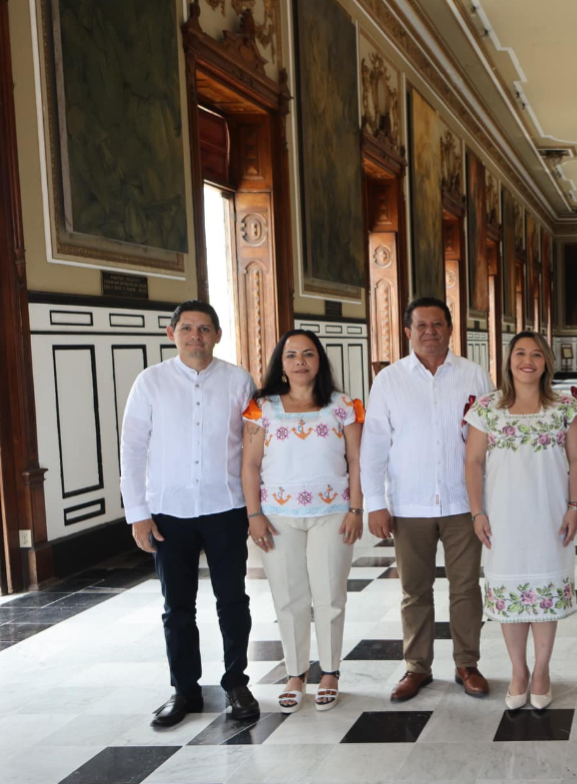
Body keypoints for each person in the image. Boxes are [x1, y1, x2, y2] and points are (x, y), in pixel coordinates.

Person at [120, 300, 259, 727]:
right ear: (171, 333)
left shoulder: (239, 381)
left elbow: (255, 449)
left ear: (217, 334)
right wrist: (137, 513)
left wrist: (256, 510)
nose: (195, 336)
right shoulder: (151, 383)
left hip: (226, 508)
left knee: (232, 600)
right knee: (176, 605)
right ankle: (184, 690)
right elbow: (133, 448)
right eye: (186, 328)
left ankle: (236, 682)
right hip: (169, 513)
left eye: (204, 329)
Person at [361, 298, 493, 701]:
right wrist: (374, 502)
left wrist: (487, 504)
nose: (430, 332)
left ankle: (466, 664)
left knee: (466, 587)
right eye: (421, 325)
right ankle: (417, 667)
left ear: (451, 329)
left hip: (462, 504)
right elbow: (374, 445)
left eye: (438, 324)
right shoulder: (389, 380)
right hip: (408, 505)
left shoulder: (474, 376)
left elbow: (490, 441)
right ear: (408, 332)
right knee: (414, 590)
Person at [241, 330, 365, 713]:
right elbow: (249, 463)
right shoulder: (261, 408)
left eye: (308, 354)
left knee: (329, 595)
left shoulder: (344, 406)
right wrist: (254, 515)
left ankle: (329, 672)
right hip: (278, 517)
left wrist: (356, 509)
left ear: (319, 360)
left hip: (333, 514)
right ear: (281, 363)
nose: (299, 362)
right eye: (291, 355)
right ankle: (296, 673)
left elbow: (359, 461)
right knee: (289, 597)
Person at [465, 332, 577, 710]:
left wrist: (574, 506)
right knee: (509, 598)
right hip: (503, 519)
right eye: (520, 353)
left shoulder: (566, 408)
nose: (527, 360)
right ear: (508, 361)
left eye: (536, 354)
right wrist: (477, 512)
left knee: (544, 596)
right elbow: (473, 462)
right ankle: (518, 670)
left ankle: (542, 671)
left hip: (549, 516)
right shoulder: (486, 409)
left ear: (547, 362)